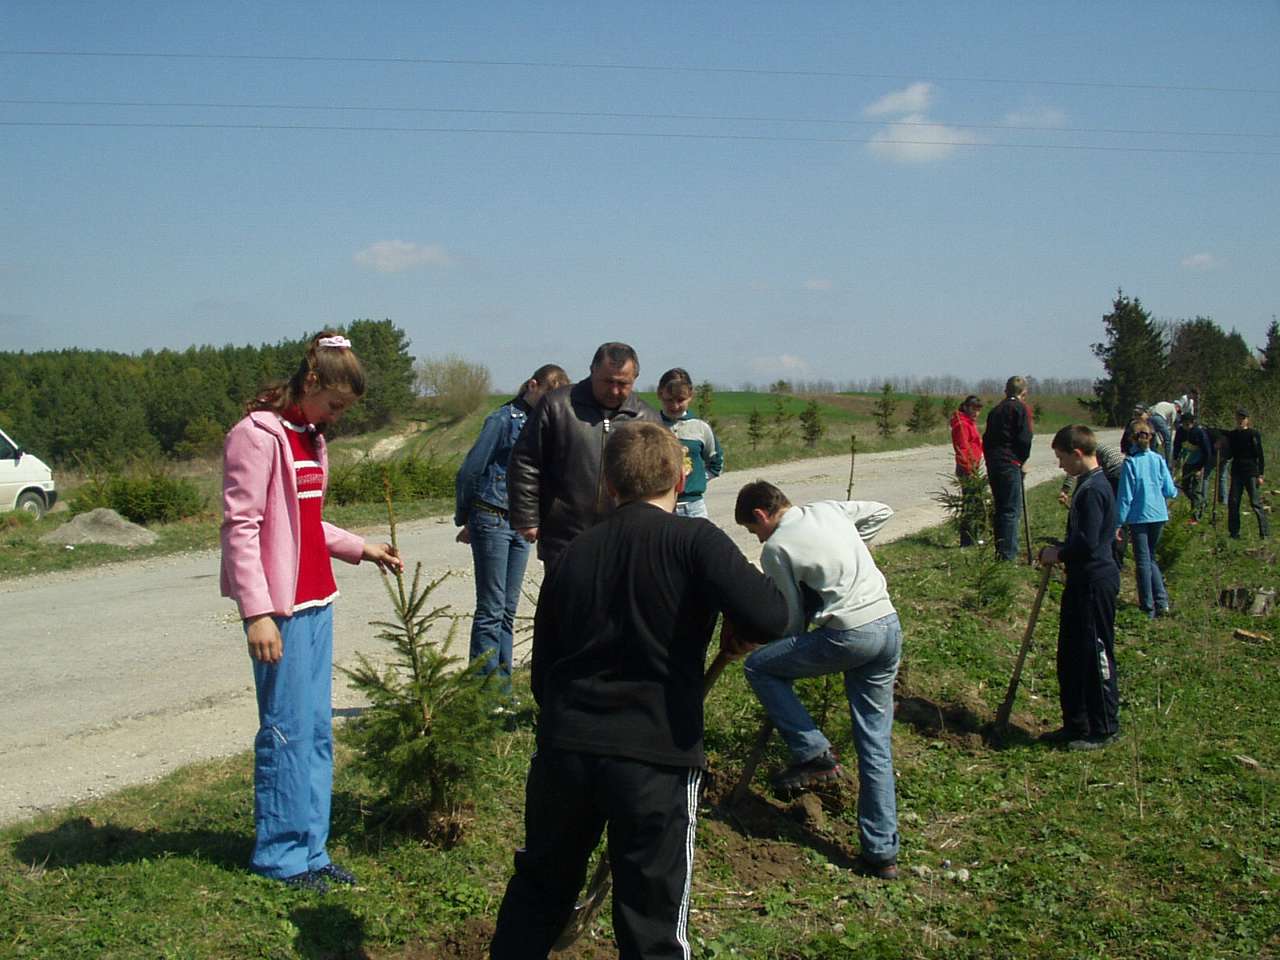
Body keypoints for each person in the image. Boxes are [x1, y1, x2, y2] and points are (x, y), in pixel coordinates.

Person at [490, 422, 789, 959]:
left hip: (566, 750)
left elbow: (543, 672)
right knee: (652, 916)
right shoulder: (694, 541)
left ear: (608, 483)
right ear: (680, 477)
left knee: (539, 890)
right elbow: (771, 613)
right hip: (654, 757)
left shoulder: (574, 554)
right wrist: (736, 628)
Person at [220, 332, 403, 891]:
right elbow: (243, 528)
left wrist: (357, 546)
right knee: (286, 731)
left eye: (346, 411)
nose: (338, 417)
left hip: (318, 600)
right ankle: (280, 855)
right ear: (312, 381)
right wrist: (257, 612)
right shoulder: (255, 437)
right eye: (336, 405)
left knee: (318, 731)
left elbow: (302, 522)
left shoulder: (309, 436)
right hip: (282, 610)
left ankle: (312, 849)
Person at [735, 481, 902, 880]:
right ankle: (881, 854)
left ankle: (813, 754)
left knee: (759, 667)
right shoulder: (829, 510)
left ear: (761, 515)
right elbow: (882, 510)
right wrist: (847, 555)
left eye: (751, 529)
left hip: (848, 634)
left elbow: (791, 621)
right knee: (874, 743)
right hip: (888, 627)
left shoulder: (776, 548)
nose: (756, 537)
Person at [454, 364, 570, 703]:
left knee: (507, 608)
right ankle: (482, 691)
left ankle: (501, 689)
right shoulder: (503, 420)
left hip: (521, 524)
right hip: (491, 517)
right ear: (532, 386)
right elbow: (471, 469)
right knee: (490, 609)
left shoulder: (544, 424)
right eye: (548, 397)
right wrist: (466, 516)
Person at [507, 342, 661, 569]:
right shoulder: (557, 406)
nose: (615, 390)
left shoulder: (647, 419)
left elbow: (659, 480)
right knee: (565, 604)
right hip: (565, 537)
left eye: (623, 384)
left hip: (625, 539)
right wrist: (527, 517)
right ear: (592, 371)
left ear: (635, 378)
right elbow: (525, 461)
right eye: (608, 381)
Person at [1038, 425, 1121, 751]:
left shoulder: (1094, 490)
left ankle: (1103, 728)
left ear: (1077, 453)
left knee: (1094, 654)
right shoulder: (1088, 486)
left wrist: (1057, 553)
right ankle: (1076, 723)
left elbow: (1087, 543)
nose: (1060, 466)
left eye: (1061, 458)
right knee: (1071, 655)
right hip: (1079, 581)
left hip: (1094, 582)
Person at [1116, 419, 1178, 618]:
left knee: (1142, 561)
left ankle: (1147, 606)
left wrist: (1118, 522)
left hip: (1139, 516)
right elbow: (1170, 490)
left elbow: (1125, 496)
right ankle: (1162, 601)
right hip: (1159, 514)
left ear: (1132, 439)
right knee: (1151, 558)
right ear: (1151, 438)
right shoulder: (1158, 460)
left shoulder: (1130, 463)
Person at [657, 367, 724, 519]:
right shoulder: (652, 425)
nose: (675, 406)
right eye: (669, 400)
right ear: (660, 394)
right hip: (660, 507)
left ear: (690, 396)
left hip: (694, 508)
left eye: (681, 400)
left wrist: (697, 478)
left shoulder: (700, 428)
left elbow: (716, 463)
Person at [982, 376, 1033, 561]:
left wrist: (990, 460)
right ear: (1024, 393)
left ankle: (1001, 551)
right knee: (1011, 510)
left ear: (1006, 391)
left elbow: (986, 439)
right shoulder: (1020, 409)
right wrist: (1022, 460)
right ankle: (1008, 556)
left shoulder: (995, 411)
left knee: (1001, 508)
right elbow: (1025, 438)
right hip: (1010, 462)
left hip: (994, 463)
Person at [1226, 408, 1269, 540]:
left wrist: (1260, 475)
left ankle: (1264, 533)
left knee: (1255, 502)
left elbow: (1260, 455)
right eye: (1238, 418)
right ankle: (1234, 533)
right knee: (1233, 502)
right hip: (1236, 471)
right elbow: (1228, 453)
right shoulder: (1232, 435)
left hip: (1251, 472)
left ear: (1247, 420)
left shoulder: (1253, 434)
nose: (1240, 420)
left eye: (1243, 418)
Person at [949, 395, 984, 547]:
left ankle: (974, 536)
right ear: (966, 407)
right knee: (970, 504)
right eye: (973, 409)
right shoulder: (962, 424)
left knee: (975, 503)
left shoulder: (970, 423)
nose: (976, 413)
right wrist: (969, 468)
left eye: (978, 410)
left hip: (973, 465)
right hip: (967, 467)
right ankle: (967, 540)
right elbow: (962, 448)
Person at [1172, 412, 1214, 521]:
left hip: (1198, 463)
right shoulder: (1180, 431)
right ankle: (1200, 502)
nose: (1186, 426)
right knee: (1185, 487)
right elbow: (1177, 445)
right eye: (1184, 424)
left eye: (1188, 424)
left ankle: (1195, 517)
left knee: (1194, 489)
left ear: (1192, 423)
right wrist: (1175, 459)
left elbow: (1207, 452)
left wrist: (1201, 468)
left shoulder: (1199, 432)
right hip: (1187, 462)